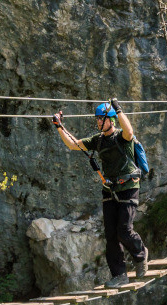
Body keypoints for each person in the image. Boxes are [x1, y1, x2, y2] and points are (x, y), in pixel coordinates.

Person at [52, 98, 148, 288]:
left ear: (111, 120)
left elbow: (130, 131)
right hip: (110, 191)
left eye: (101, 119)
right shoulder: (98, 140)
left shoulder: (122, 137)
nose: (98, 122)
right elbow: (74, 145)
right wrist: (59, 127)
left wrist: (118, 109)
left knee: (124, 230)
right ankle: (119, 275)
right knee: (111, 235)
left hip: (128, 188)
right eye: (97, 119)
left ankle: (141, 256)